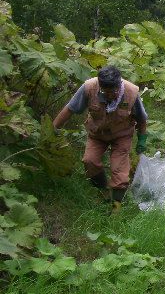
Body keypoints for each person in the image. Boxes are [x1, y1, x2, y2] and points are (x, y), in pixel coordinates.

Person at [52, 65, 148, 213]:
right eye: (105, 92)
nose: (110, 95)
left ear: (119, 85)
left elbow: (142, 119)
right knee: (89, 161)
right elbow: (70, 109)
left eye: (114, 92)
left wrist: (142, 140)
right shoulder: (89, 88)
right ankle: (104, 191)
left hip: (122, 135)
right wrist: (53, 129)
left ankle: (116, 207)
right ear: (100, 86)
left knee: (119, 171)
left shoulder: (131, 92)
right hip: (97, 133)